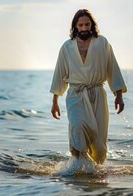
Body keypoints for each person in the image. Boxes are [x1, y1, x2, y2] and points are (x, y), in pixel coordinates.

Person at [50, 9, 127, 166]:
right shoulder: (67, 47)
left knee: (98, 142)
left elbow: (112, 68)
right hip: (75, 94)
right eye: (80, 25)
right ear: (75, 26)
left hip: (97, 93)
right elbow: (59, 73)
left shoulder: (102, 43)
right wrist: (55, 101)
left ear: (92, 25)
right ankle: (76, 166)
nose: (84, 28)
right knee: (77, 127)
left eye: (87, 24)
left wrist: (118, 95)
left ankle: (94, 172)